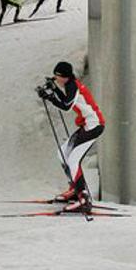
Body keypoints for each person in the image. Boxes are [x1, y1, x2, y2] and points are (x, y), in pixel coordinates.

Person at [38, 61, 104, 212]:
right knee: (62, 154)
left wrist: (50, 97)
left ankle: (83, 198)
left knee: (73, 160)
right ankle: (75, 190)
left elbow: (66, 106)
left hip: (94, 126)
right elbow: (67, 98)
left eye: (57, 76)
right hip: (86, 125)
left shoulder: (73, 86)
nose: (55, 78)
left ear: (65, 76)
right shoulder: (70, 85)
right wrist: (53, 89)